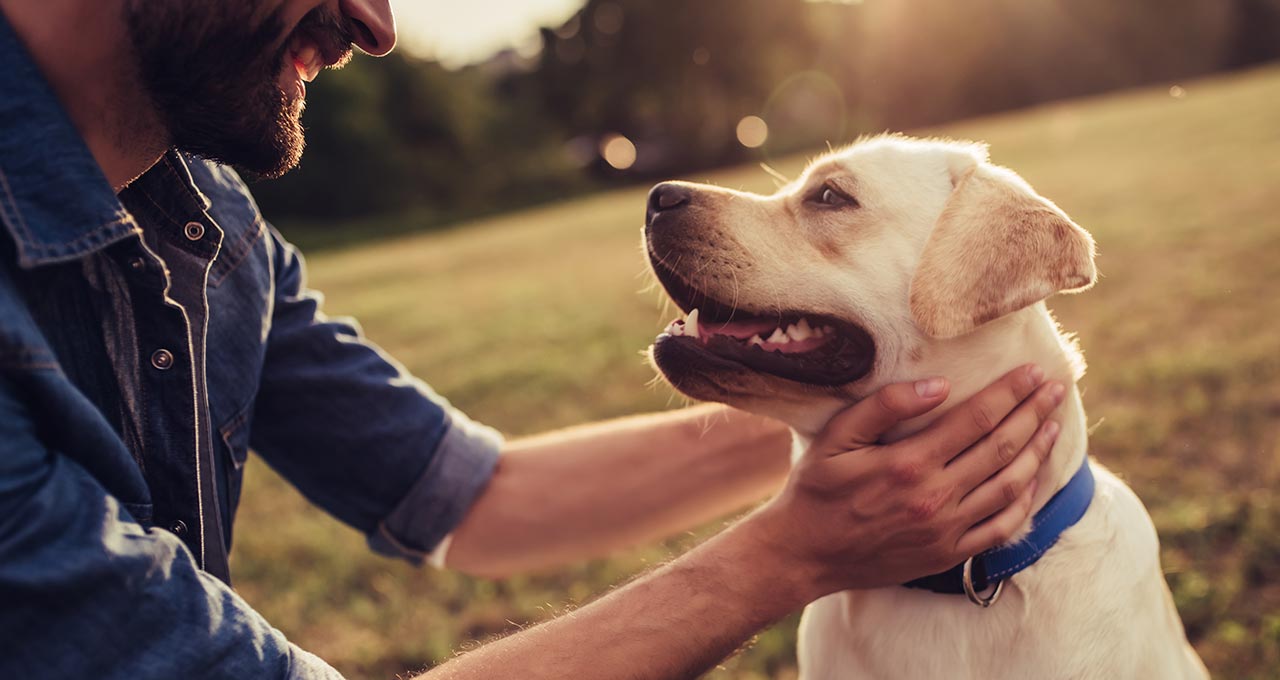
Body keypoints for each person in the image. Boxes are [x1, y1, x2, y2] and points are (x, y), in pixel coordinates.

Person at [0, 1, 1064, 678]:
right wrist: (786, 552)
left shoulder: (209, 226)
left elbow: (476, 495)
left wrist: (901, 407)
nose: (375, 22)